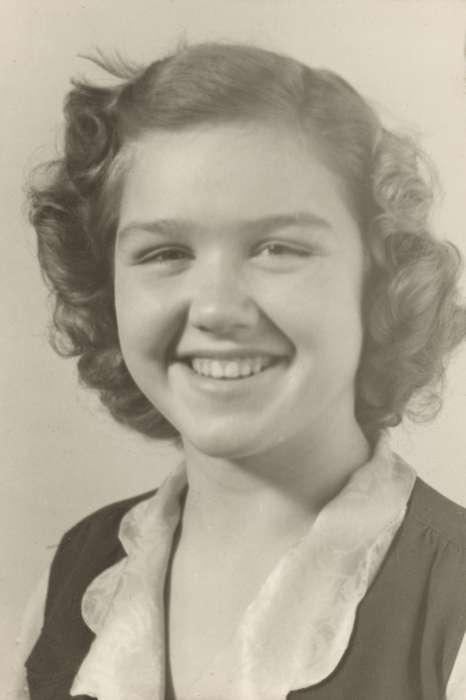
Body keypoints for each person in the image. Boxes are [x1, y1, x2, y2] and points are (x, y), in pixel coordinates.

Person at [18, 42, 466, 699]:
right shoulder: (77, 579)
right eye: (166, 251)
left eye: (278, 248)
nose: (219, 309)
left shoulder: (450, 602)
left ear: (379, 281)